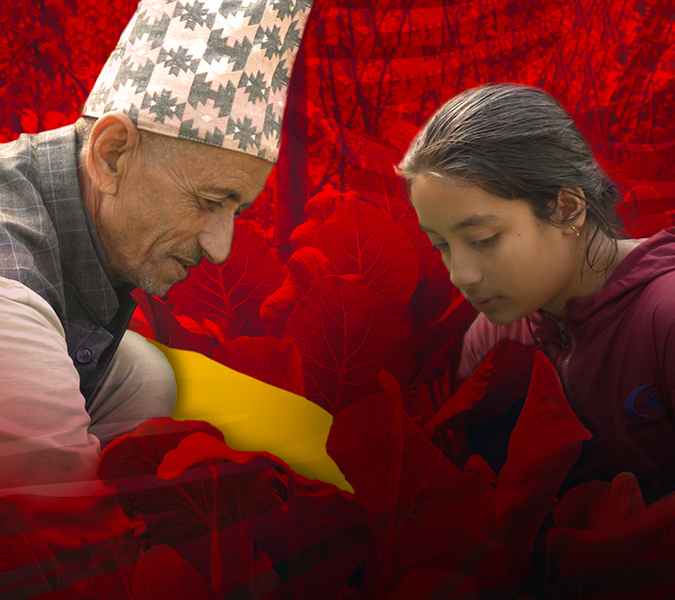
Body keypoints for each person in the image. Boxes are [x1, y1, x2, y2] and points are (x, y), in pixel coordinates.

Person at [0, 0, 312, 501]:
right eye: (209, 200)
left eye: (238, 209)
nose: (221, 248)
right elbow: (63, 548)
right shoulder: (8, 304)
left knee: (140, 370)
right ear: (112, 153)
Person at [398, 83, 675, 499]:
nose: (461, 275)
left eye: (484, 238)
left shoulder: (665, 315)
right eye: (441, 244)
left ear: (566, 207)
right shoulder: (491, 341)